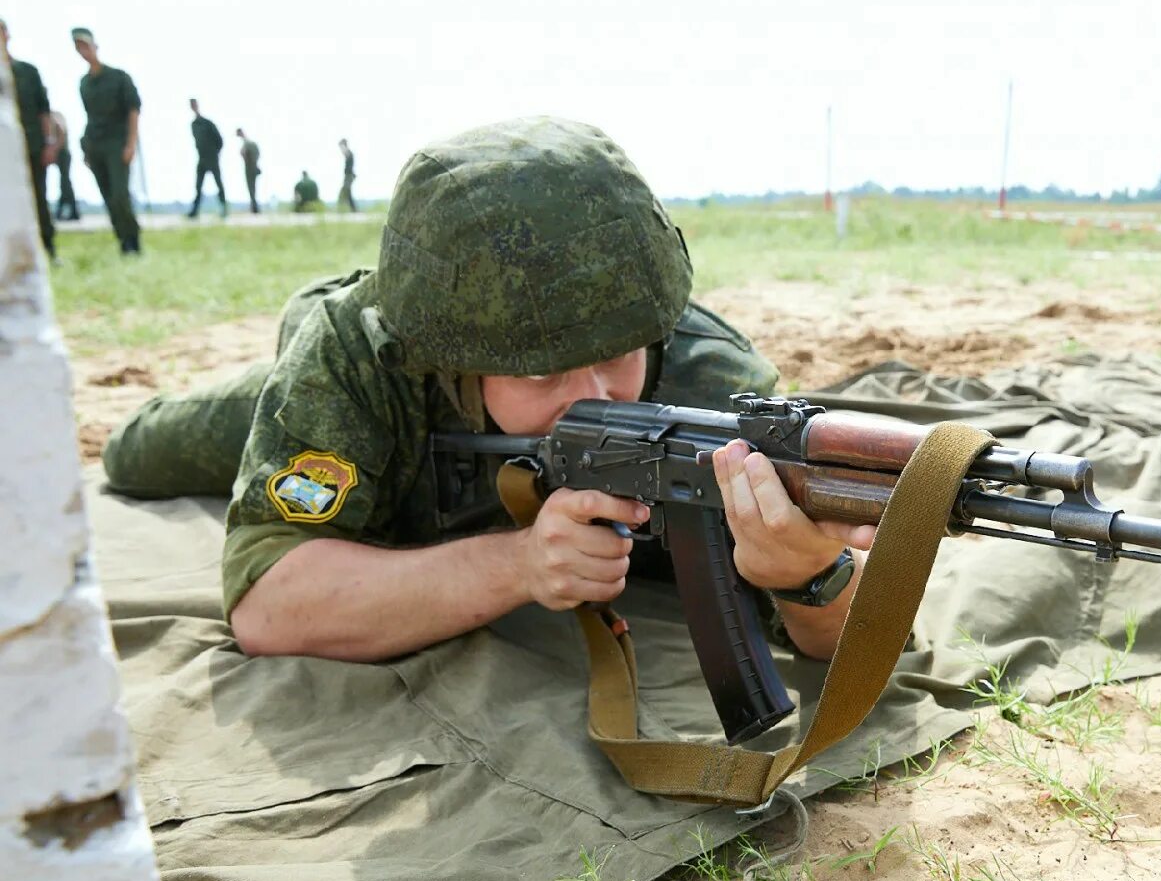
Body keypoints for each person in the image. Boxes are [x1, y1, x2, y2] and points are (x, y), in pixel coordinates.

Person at [101, 116, 869, 664]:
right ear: (452, 360)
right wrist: (521, 566)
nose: (601, 392)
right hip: (360, 424)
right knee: (134, 453)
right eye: (543, 371)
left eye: (621, 353)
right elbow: (268, 604)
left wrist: (812, 572)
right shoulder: (363, 359)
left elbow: (863, 631)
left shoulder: (713, 384)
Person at [72, 26, 141, 254]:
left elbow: (133, 110)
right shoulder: (84, 83)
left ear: (95, 46)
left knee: (120, 195)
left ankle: (133, 239)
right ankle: (122, 239)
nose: (83, 51)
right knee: (109, 197)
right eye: (78, 47)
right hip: (95, 145)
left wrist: (131, 144)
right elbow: (89, 117)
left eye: (85, 45)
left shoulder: (118, 77)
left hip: (117, 144)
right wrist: (86, 151)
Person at [1, 18, 56, 259]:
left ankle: (47, 248)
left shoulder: (27, 72)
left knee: (37, 200)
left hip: (32, 146)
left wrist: (49, 142)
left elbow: (43, 110)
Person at [187, 98, 226, 217]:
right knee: (198, 186)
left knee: (219, 183)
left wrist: (215, 153)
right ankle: (195, 210)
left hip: (212, 158)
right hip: (202, 158)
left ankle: (223, 208)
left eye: (194, 104)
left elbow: (220, 140)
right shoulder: (193, 125)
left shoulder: (208, 123)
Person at [49, 111, 80, 221]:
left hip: (62, 154)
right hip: (62, 153)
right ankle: (66, 210)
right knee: (65, 183)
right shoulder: (58, 115)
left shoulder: (54, 116)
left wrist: (54, 149)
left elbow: (61, 131)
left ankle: (69, 211)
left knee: (65, 183)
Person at [237, 127, 261, 213]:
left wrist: (246, 159)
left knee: (251, 188)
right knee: (253, 188)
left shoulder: (246, 143)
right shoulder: (251, 143)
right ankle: (254, 207)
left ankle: (254, 208)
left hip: (250, 168)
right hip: (253, 167)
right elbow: (258, 154)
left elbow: (243, 153)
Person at [336, 137, 356, 212]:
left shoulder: (349, 153)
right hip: (348, 176)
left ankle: (342, 209)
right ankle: (352, 209)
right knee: (347, 193)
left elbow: (349, 167)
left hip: (349, 176)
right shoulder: (348, 153)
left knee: (345, 192)